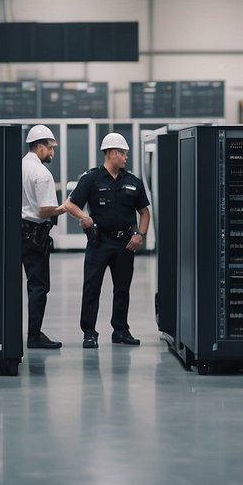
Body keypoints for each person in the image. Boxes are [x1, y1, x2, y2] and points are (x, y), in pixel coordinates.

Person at [62, 132, 151, 349]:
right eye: (123, 154)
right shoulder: (91, 179)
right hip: (99, 242)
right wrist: (85, 217)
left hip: (125, 242)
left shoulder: (133, 181)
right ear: (113, 153)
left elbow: (144, 211)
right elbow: (70, 204)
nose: (126, 158)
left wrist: (140, 235)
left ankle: (120, 330)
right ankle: (89, 333)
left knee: (122, 288)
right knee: (92, 287)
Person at [21, 125, 68, 349]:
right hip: (35, 236)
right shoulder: (42, 173)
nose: (52, 153)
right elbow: (44, 210)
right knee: (38, 287)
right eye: (51, 148)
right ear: (40, 147)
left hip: (16, 233)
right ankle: (34, 336)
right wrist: (64, 207)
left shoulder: (17, 166)